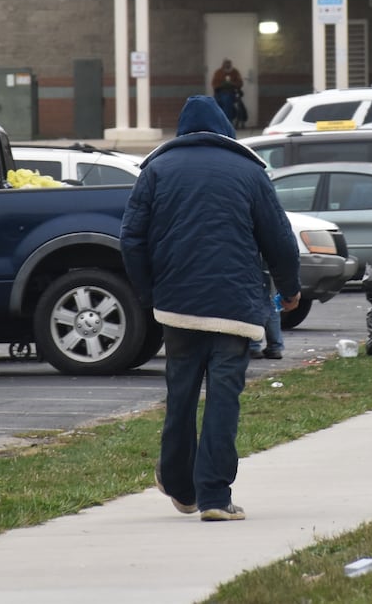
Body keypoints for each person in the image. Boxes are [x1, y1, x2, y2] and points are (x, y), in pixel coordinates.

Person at [121, 95, 302, 523]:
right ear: (225, 130)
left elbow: (131, 239)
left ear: (182, 132)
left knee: (180, 395)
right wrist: (291, 290)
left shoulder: (156, 171)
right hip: (235, 307)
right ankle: (216, 497)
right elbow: (278, 238)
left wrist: (149, 294)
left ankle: (179, 486)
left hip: (177, 305)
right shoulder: (250, 171)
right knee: (224, 399)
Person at [210, 58, 245, 126]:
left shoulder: (235, 72)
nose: (227, 65)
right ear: (223, 65)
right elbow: (214, 84)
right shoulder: (218, 72)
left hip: (231, 93)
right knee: (216, 103)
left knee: (227, 101)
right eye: (226, 64)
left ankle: (227, 122)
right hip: (219, 93)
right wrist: (222, 84)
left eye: (229, 64)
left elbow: (240, 83)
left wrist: (232, 83)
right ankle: (218, 122)